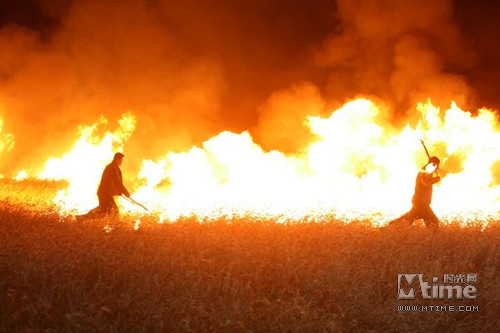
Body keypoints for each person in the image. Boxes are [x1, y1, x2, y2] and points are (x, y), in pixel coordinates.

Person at [387, 156, 442, 228]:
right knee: (433, 221)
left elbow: (426, 181)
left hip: (419, 202)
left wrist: (433, 179)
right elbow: (425, 182)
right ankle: (434, 237)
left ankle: (390, 228)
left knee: (408, 220)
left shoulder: (427, 170)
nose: (437, 168)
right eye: (437, 165)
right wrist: (435, 180)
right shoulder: (426, 170)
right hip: (421, 203)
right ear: (433, 164)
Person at [96, 152, 130, 219]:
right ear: (117, 159)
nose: (122, 162)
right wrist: (126, 192)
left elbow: (116, 183)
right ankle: (116, 227)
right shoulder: (112, 168)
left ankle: (84, 221)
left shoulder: (113, 167)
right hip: (105, 193)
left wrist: (122, 192)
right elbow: (117, 182)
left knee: (103, 211)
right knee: (114, 211)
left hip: (104, 193)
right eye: (121, 160)